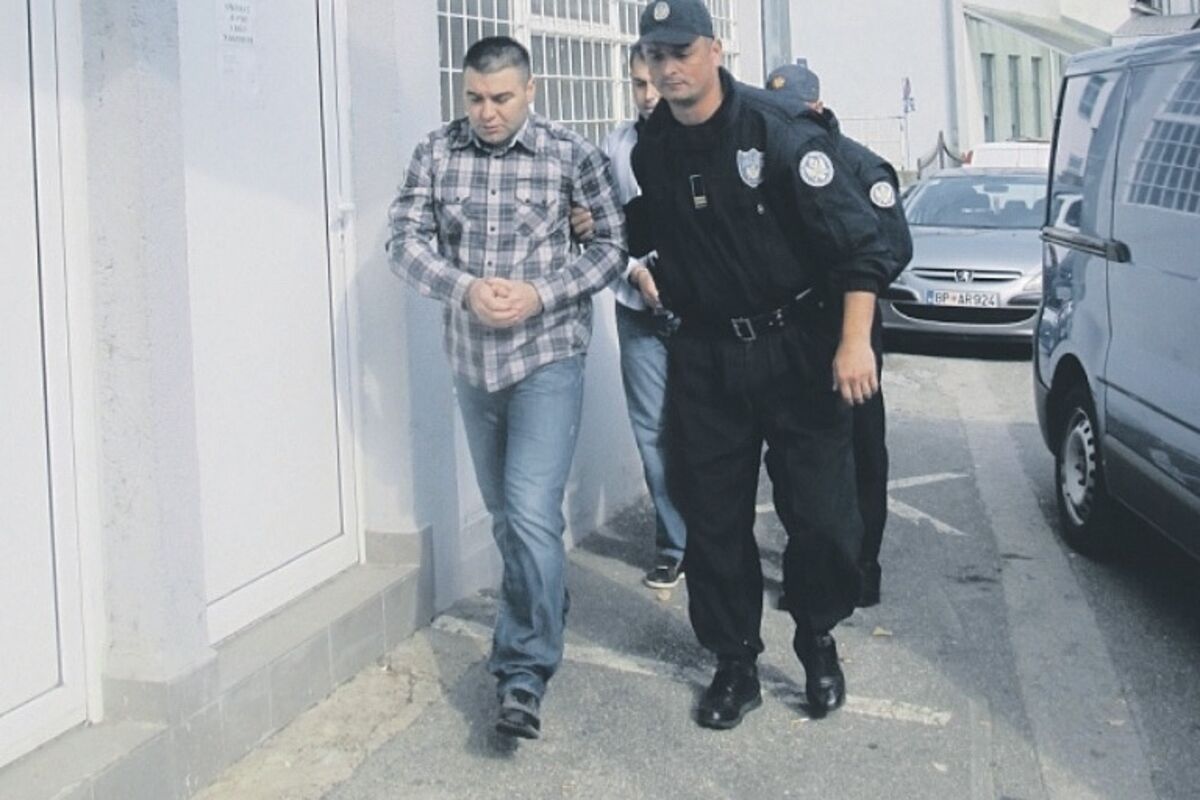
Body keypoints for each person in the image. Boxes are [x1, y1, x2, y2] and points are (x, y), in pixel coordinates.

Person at [631, 0, 894, 729]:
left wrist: (853, 342)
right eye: (655, 54)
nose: (668, 68)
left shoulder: (776, 134)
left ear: (715, 50)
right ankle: (734, 663)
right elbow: (662, 226)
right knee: (713, 518)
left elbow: (859, 245)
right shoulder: (653, 147)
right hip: (707, 353)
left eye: (681, 51)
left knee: (823, 517)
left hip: (798, 347)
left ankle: (817, 637)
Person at [387, 36, 626, 740]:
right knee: (506, 515)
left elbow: (611, 247)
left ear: (530, 91)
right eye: (474, 98)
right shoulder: (436, 152)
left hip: (547, 356)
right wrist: (463, 288)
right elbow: (403, 242)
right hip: (472, 360)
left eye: (500, 98)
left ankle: (522, 671)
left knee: (528, 512)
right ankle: (546, 603)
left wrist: (538, 294)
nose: (486, 113)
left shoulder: (570, 155)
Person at [764, 61, 914, 608]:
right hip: (792, 332)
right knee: (792, 457)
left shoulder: (860, 165)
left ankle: (861, 567)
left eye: (797, 111)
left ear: (819, 108)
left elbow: (893, 248)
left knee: (861, 451)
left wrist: (844, 289)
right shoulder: (770, 164)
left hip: (850, 323)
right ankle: (810, 561)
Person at [569, 45, 688, 590]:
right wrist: (636, 272)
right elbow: (601, 228)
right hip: (638, 310)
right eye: (638, 84)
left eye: (655, 82)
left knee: (709, 429)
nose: (648, 95)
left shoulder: (703, 139)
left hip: (701, 314)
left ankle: (718, 537)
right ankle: (674, 544)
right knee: (653, 432)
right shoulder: (615, 147)